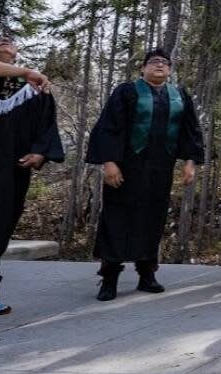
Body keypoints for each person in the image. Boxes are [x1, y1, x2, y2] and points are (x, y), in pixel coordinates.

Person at [87, 48, 205, 301]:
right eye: (153, 62)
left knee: (153, 220)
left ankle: (146, 274)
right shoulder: (126, 91)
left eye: (164, 62)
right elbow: (108, 127)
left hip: (160, 169)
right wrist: (109, 163)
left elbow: (190, 130)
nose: (159, 65)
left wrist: (190, 162)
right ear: (143, 68)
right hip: (126, 168)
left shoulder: (180, 95)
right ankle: (109, 278)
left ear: (171, 70)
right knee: (117, 220)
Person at [0, 37, 62, 316]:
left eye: (11, 41)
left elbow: (48, 125)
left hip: (9, 171)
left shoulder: (35, 89)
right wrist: (24, 71)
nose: (5, 41)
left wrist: (40, 152)